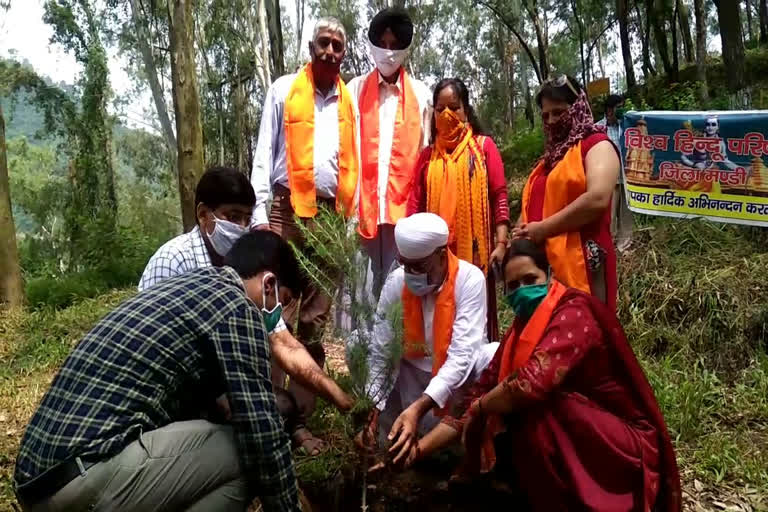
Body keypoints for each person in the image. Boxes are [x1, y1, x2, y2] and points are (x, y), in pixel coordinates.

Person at [14, 230, 354, 512]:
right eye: (284, 299)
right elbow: (262, 434)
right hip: (83, 478)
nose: (279, 316)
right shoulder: (237, 309)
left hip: (39, 483)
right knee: (250, 453)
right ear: (268, 285)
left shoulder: (191, 288)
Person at [411, 239, 682, 511]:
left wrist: (481, 409)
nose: (522, 290)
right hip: (581, 438)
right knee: (507, 407)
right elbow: (477, 393)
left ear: (549, 276)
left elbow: (530, 384)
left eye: (531, 279)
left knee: (536, 409)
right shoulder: (518, 332)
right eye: (513, 286)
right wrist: (417, 451)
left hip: (618, 444)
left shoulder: (575, 312)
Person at [249, 17, 359, 453]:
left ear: (343, 53)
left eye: (337, 45)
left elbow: (355, 169)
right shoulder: (282, 90)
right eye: (324, 43)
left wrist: (348, 222)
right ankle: (269, 413)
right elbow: (263, 153)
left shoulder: (348, 103)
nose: (330, 51)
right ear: (311, 47)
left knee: (313, 319)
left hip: (332, 218)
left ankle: (301, 420)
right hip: (285, 210)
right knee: (273, 311)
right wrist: (260, 215)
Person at [356, 213, 498, 466]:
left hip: (456, 388)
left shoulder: (469, 279)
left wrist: (419, 408)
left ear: (442, 256)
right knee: (359, 342)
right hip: (411, 383)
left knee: (491, 355)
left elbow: (462, 357)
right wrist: (372, 412)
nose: (410, 274)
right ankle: (388, 441)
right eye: (405, 264)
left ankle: (472, 447)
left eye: (419, 267)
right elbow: (381, 351)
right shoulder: (397, 282)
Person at [407, 78, 510, 341]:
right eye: (440, 109)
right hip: (436, 260)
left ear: (466, 110)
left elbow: (499, 195)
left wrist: (501, 241)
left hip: (476, 257)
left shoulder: (485, 148)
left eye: (454, 107)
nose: (447, 115)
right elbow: (415, 209)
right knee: (440, 325)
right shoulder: (426, 158)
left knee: (475, 326)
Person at [514, 75, 620, 313]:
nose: (551, 121)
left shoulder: (596, 145)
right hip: (544, 271)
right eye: (545, 115)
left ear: (577, 107)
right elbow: (530, 207)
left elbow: (597, 199)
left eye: (558, 112)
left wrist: (543, 229)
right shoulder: (548, 162)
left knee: (586, 333)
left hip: (584, 265)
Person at [347, 7, 432, 300]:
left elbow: (426, 154)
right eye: (383, 44)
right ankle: (360, 347)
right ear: (372, 44)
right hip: (361, 214)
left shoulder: (422, 95)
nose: (388, 52)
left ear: (406, 48)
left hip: (404, 212)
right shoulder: (355, 89)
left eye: (396, 45)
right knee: (363, 296)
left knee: (400, 294)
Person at [139, 166, 253, 291]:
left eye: (247, 220)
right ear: (203, 214)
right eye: (233, 217)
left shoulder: (245, 265)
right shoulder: (172, 261)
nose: (242, 227)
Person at [597, 94, 634, 252]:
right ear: (609, 110)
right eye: (618, 107)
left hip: (626, 176)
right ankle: (608, 245)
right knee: (609, 214)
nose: (621, 110)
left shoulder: (626, 126)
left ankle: (624, 244)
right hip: (609, 178)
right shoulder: (598, 128)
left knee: (626, 212)